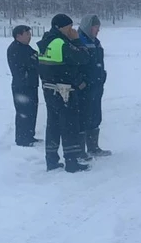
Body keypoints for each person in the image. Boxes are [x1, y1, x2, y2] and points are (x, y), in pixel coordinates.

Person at [37, 14, 89, 173]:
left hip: (48, 88)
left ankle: (51, 160)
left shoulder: (44, 42)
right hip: (64, 90)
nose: (71, 30)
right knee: (69, 126)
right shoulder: (61, 43)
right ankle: (72, 162)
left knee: (53, 125)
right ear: (60, 27)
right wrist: (76, 40)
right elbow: (83, 57)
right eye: (69, 26)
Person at [77, 14, 111, 157]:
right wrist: (81, 82)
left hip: (96, 86)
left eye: (98, 28)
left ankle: (93, 147)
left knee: (95, 116)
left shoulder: (96, 42)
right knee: (83, 118)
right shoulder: (79, 41)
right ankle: (80, 151)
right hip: (85, 88)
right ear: (88, 27)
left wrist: (102, 76)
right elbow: (75, 66)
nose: (97, 30)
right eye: (96, 27)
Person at [6, 24, 40, 146]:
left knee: (32, 111)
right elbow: (33, 61)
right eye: (27, 34)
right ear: (18, 35)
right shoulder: (15, 49)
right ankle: (22, 139)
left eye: (30, 34)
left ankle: (29, 135)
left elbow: (36, 56)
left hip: (30, 84)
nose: (30, 37)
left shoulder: (26, 47)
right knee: (23, 112)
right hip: (22, 86)